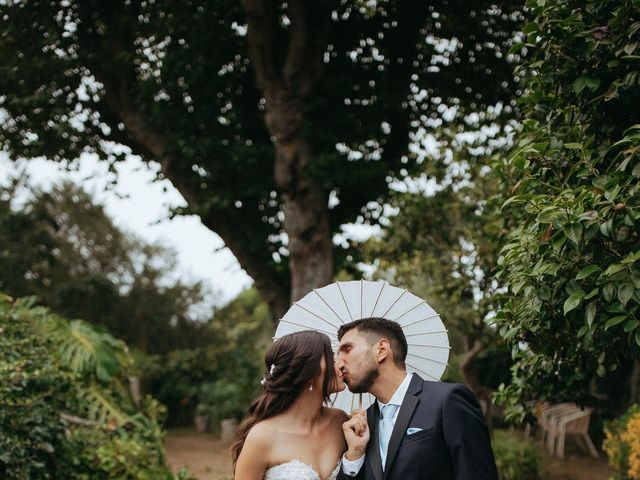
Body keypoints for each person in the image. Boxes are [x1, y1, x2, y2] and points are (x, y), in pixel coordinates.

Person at [336, 317, 498, 480]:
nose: (339, 363)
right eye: (337, 355)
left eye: (347, 349)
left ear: (382, 350)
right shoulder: (362, 427)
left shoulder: (447, 400)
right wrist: (354, 456)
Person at [231, 330, 367, 480]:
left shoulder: (340, 422)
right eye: (331, 357)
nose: (340, 363)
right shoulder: (262, 436)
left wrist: (355, 452)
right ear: (308, 373)